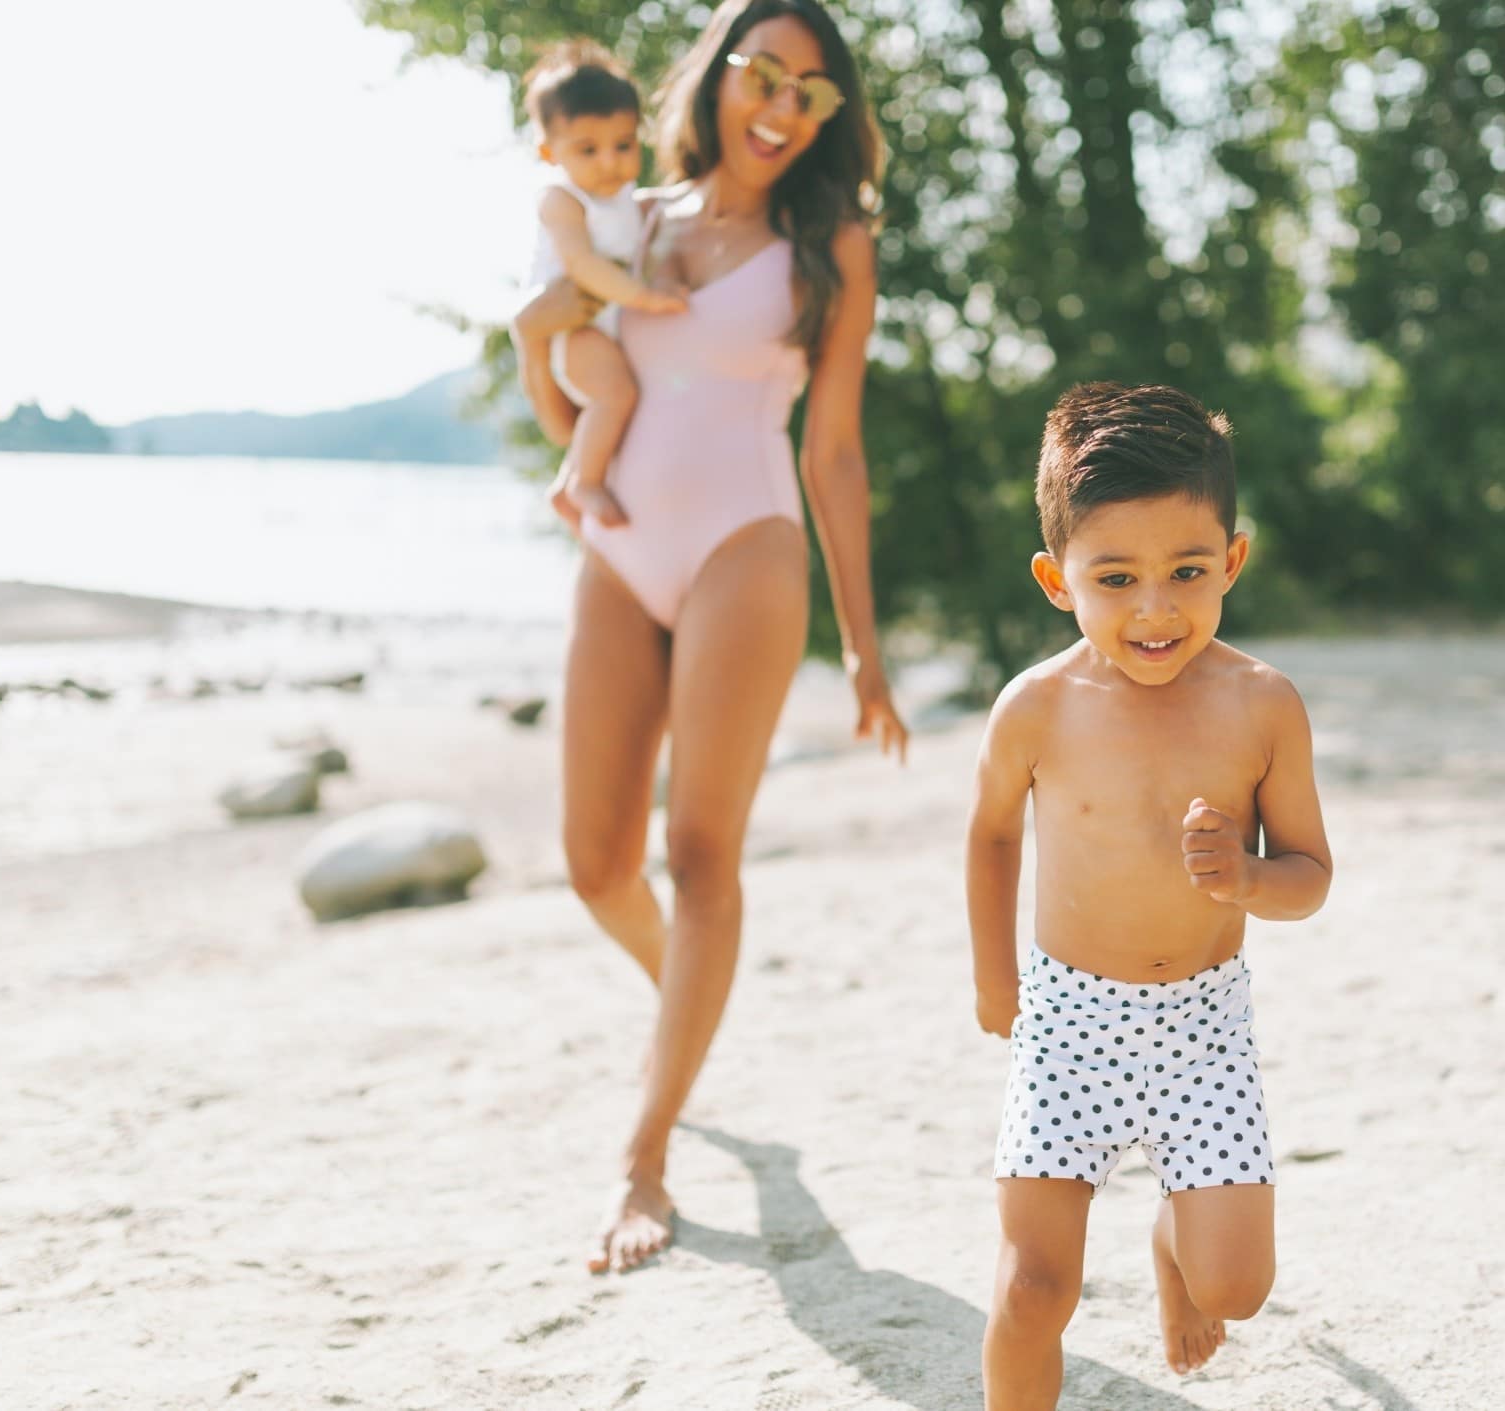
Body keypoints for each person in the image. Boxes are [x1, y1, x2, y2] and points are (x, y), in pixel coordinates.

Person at [559, 0, 910, 1275]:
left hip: (744, 548)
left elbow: (834, 448)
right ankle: (689, 1008)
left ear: (826, 118)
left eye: (811, 92)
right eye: (763, 72)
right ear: (716, 76)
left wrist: (864, 646)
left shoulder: (831, 244)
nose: (779, 104)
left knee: (700, 857)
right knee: (595, 866)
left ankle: (643, 1151)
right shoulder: (628, 222)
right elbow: (567, 394)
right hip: (618, 544)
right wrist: (536, 332)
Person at [965, 383, 1334, 1405]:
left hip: (1202, 1031)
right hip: (1067, 1025)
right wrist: (995, 977)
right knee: (1035, 1286)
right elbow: (992, 830)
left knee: (1238, 1287)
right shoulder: (1035, 706)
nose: (1154, 608)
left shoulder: (1261, 706)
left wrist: (1252, 878)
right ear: (1056, 580)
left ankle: (1174, 1243)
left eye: (1185, 571)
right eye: (1114, 577)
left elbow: (1309, 876)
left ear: (1233, 559)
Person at [509, 39, 687, 528]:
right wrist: (645, 297)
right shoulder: (561, 200)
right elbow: (583, 264)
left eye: (623, 145)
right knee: (616, 395)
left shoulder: (622, 196)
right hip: (574, 328)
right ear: (550, 152)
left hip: (602, 326)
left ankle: (567, 487)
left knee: (614, 401)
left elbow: (646, 212)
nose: (610, 162)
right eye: (588, 149)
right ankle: (584, 482)